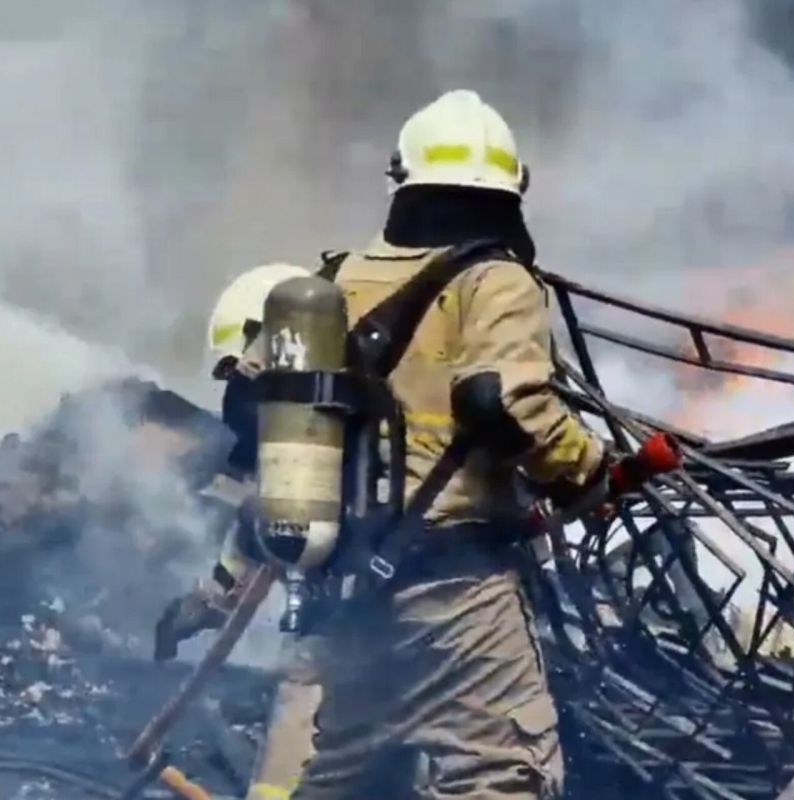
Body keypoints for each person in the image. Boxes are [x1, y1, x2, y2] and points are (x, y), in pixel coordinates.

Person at [289, 89, 608, 800]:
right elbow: (505, 401)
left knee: (352, 776)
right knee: (502, 775)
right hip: (453, 585)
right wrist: (587, 470)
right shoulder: (495, 279)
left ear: (404, 181)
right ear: (510, 189)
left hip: (347, 585)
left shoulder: (335, 280)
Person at [155, 262, 325, 800]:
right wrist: (207, 600)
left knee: (309, 688)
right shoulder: (331, 408)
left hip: (391, 599)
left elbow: (273, 514)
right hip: (423, 591)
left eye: (241, 370)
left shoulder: (316, 422)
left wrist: (207, 601)